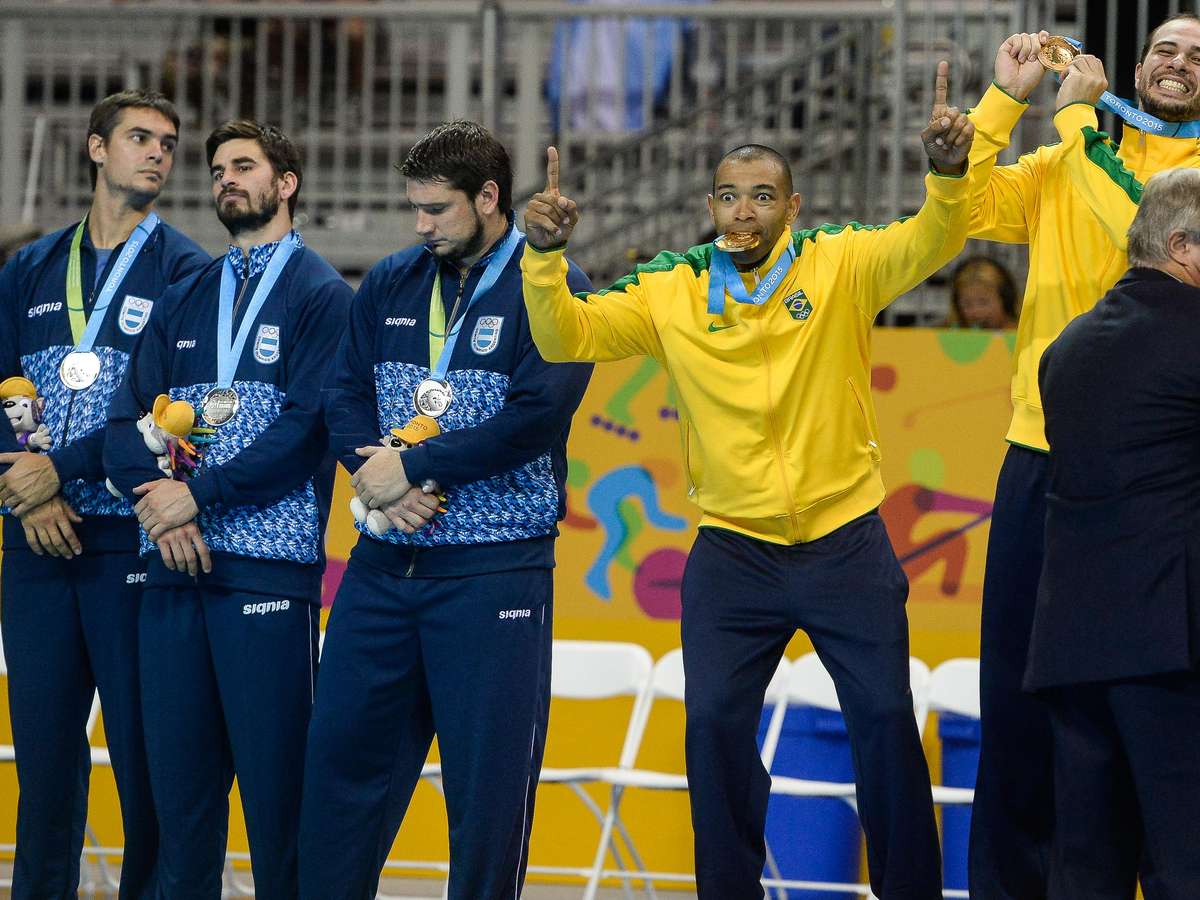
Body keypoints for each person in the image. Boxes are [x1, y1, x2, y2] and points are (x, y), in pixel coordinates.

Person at [520, 62, 974, 900]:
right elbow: (564, 337)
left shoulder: (840, 265)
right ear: (710, 207)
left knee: (883, 725)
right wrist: (546, 258)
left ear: (794, 208)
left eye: (764, 196)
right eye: (730, 195)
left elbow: (931, 241)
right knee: (716, 730)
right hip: (733, 553)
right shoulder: (671, 287)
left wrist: (948, 175)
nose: (744, 211)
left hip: (846, 544)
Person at [298, 120, 593, 899]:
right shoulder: (392, 281)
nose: (419, 225)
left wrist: (415, 467)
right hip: (382, 568)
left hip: (494, 573)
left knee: (486, 795)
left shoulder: (555, 287)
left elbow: (535, 416)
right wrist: (376, 479)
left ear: (489, 198)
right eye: (414, 208)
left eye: (436, 209)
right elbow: (343, 393)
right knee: (338, 768)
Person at [964, 18, 1200, 898]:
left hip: (1163, 472)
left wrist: (1073, 123)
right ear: (1140, 67)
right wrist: (1004, 101)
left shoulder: (1182, 179)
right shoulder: (1072, 146)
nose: (1180, 64)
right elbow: (968, 206)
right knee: (1018, 702)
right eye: (1168, 50)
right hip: (1040, 452)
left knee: (1144, 710)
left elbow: (1142, 224)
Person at [103, 119, 351, 899]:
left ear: (287, 184)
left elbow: (304, 429)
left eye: (243, 166)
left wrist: (196, 497)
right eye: (215, 170)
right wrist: (160, 505)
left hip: (263, 574)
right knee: (178, 804)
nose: (224, 180)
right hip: (171, 577)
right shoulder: (187, 295)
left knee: (278, 804)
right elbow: (118, 425)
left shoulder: (322, 294)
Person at [0, 89, 208, 899]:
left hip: (129, 541)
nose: (156, 152)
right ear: (95, 149)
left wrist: (68, 471)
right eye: (138, 138)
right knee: (45, 766)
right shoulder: (31, 268)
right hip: (36, 544)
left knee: (142, 762)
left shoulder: (185, 270)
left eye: (167, 142)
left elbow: (170, 415)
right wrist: (29, 489)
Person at [1028, 166, 1200, 898]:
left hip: (1071, 646)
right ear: (1184, 244)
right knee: (1184, 856)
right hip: (1170, 646)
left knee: (1088, 864)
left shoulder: (1064, 347)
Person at [947, 255, 1018, 328]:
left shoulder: (1024, 335)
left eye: (983, 302)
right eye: (967, 304)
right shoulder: (945, 333)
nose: (976, 312)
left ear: (1005, 300)